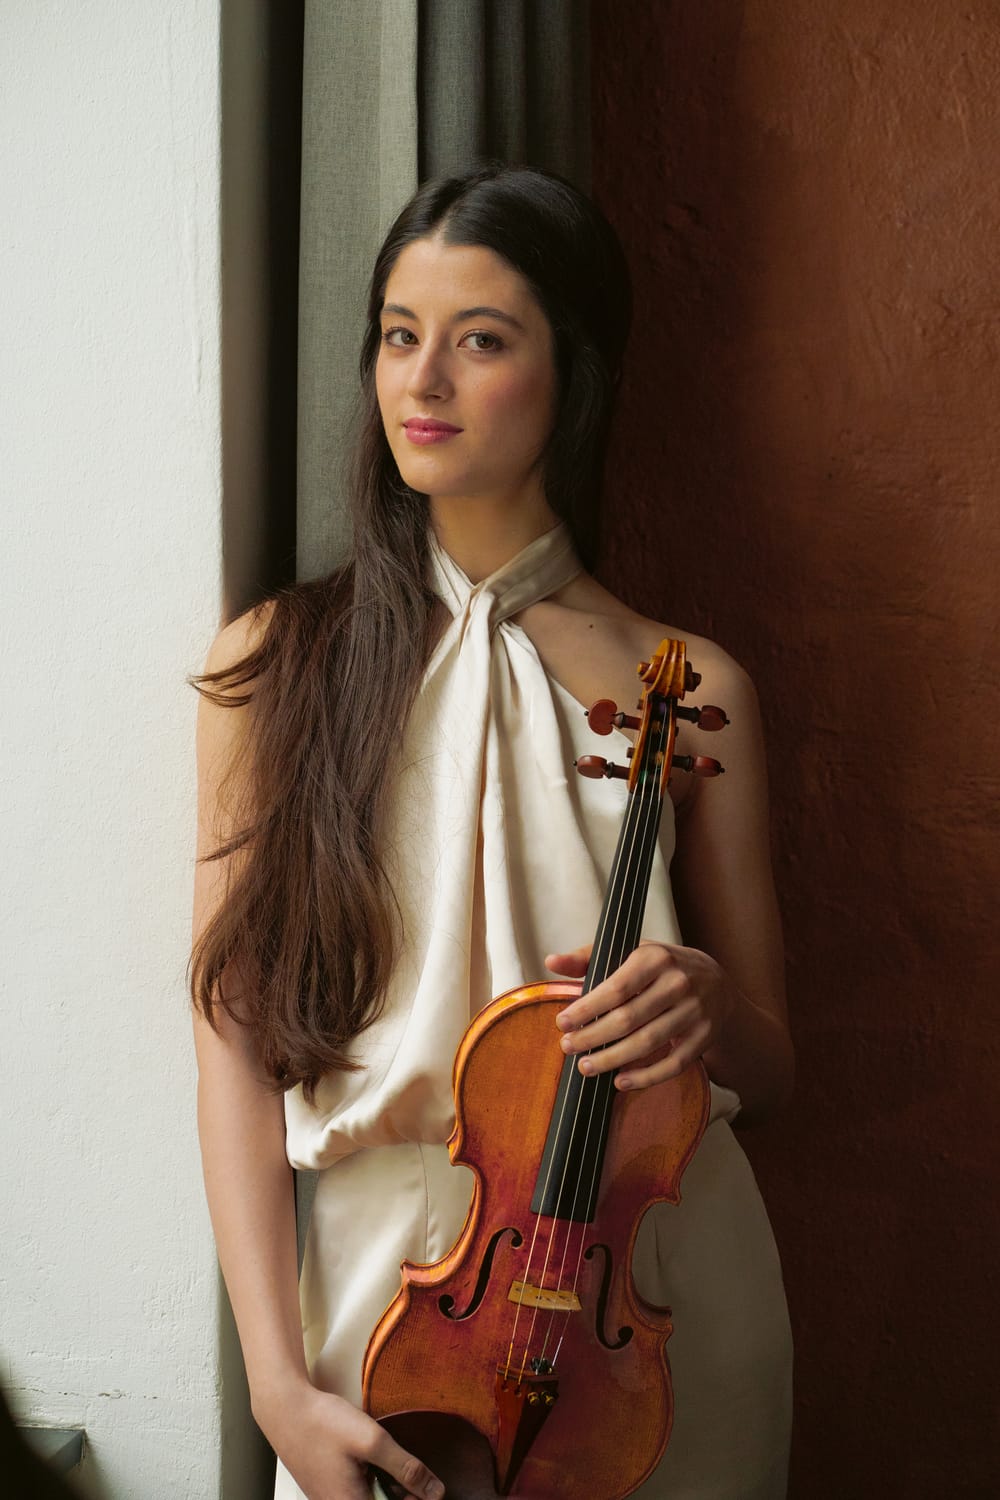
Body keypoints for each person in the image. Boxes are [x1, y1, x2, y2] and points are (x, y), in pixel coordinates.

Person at [190, 164, 794, 1500]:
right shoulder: (282, 662)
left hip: (653, 1296)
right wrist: (277, 1386)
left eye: (481, 341)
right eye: (401, 335)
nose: (424, 382)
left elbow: (773, 1060)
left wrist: (701, 1004)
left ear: (572, 376)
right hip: (387, 1291)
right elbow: (232, 1033)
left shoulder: (692, 685)